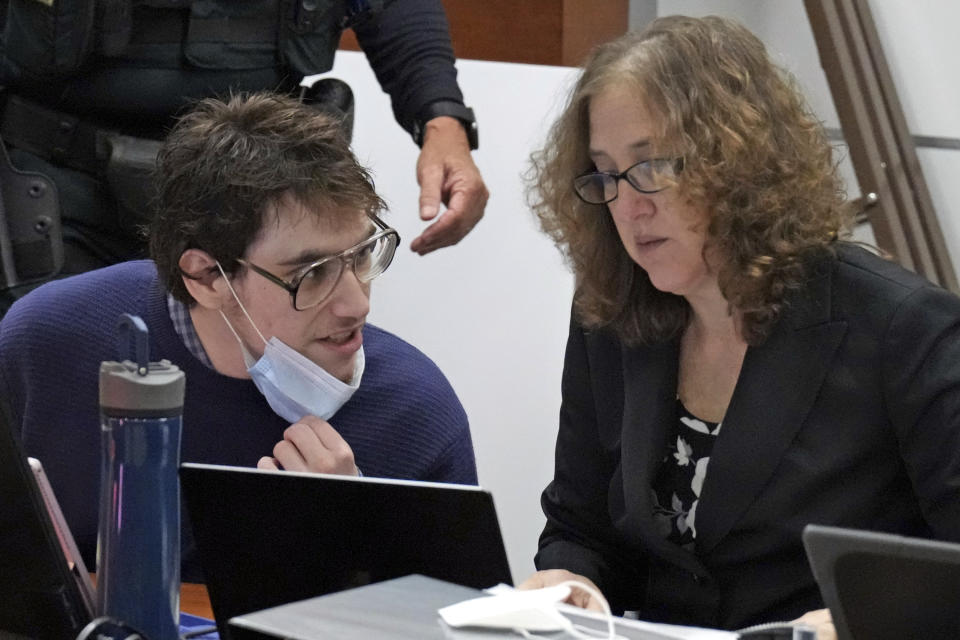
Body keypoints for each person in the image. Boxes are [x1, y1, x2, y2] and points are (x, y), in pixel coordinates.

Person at [518, 14, 960, 637]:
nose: (629, 204)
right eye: (606, 175)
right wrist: (570, 582)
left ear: (736, 161)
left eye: (651, 168)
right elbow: (581, 526)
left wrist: (866, 619)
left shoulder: (902, 327)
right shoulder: (611, 314)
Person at [0, 92, 478, 582]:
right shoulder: (47, 346)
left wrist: (352, 545)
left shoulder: (415, 414)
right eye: (312, 274)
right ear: (207, 278)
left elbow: (457, 621)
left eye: (361, 255)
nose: (358, 304)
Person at [0, 0, 487, 310]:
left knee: (246, 415)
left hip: (255, 199)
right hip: (57, 192)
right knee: (48, 400)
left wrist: (441, 122)